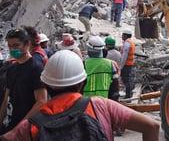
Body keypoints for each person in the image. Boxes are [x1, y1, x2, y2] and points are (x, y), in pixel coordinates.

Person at [0, 50, 159, 141]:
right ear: (82, 82)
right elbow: (152, 126)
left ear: (46, 85)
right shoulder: (100, 105)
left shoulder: (29, 126)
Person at [0, 28, 47, 133]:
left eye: (16, 45)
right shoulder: (11, 69)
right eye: (10, 46)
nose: (12, 49)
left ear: (27, 44)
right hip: (10, 124)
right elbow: (6, 99)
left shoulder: (36, 68)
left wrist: (20, 127)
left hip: (27, 129)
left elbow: (41, 101)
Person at [83, 36, 119, 101]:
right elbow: (115, 84)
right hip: (104, 100)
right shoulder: (110, 64)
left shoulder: (84, 64)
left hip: (87, 101)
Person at [119, 29, 135, 99]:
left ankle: (128, 95)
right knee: (128, 79)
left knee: (125, 79)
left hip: (126, 64)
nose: (122, 36)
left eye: (123, 35)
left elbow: (124, 56)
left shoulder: (127, 43)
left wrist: (121, 66)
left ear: (125, 35)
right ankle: (129, 92)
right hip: (129, 63)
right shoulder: (130, 42)